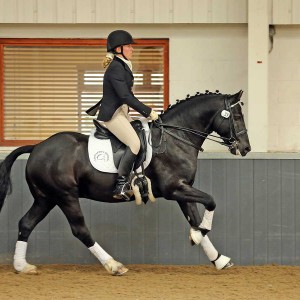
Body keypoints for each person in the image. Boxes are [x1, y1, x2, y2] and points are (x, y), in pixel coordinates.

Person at [87, 30, 159, 200]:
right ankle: (120, 186)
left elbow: (127, 98)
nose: (132, 49)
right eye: (128, 46)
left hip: (122, 112)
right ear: (118, 49)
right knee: (134, 143)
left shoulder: (122, 65)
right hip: (113, 115)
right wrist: (148, 112)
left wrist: (146, 112)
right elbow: (125, 96)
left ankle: (138, 177)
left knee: (143, 134)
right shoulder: (116, 69)